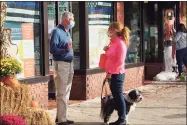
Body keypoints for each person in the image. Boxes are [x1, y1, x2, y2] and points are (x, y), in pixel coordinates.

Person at [50, 11, 75, 125]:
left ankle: (61, 116)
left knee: (66, 91)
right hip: (61, 64)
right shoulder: (56, 31)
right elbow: (53, 49)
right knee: (61, 92)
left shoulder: (67, 32)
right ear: (65, 19)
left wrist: (68, 50)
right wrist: (66, 50)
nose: (72, 22)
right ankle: (61, 120)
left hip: (69, 64)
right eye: (71, 19)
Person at [103, 22, 130, 125]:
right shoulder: (113, 42)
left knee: (118, 95)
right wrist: (107, 50)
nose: (109, 32)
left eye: (110, 30)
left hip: (117, 73)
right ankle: (121, 117)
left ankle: (122, 118)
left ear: (115, 30)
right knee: (116, 95)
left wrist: (110, 72)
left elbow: (119, 61)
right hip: (112, 73)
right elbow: (111, 56)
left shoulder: (120, 43)